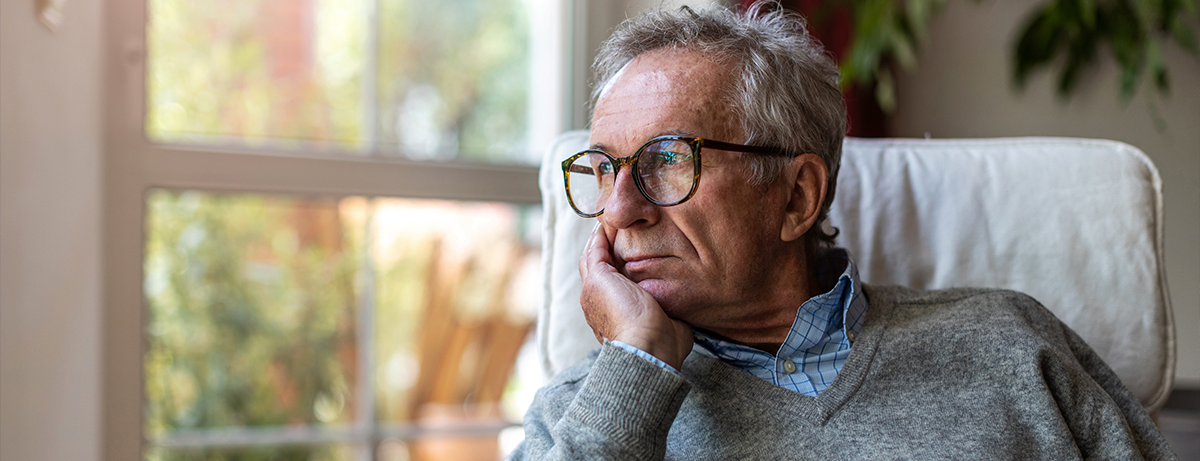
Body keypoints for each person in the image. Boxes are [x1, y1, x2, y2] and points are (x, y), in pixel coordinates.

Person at [509, 2, 1174, 459]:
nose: (620, 209)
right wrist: (637, 365)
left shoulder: (1015, 347)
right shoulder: (587, 411)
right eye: (602, 169)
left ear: (796, 197)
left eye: (668, 160)